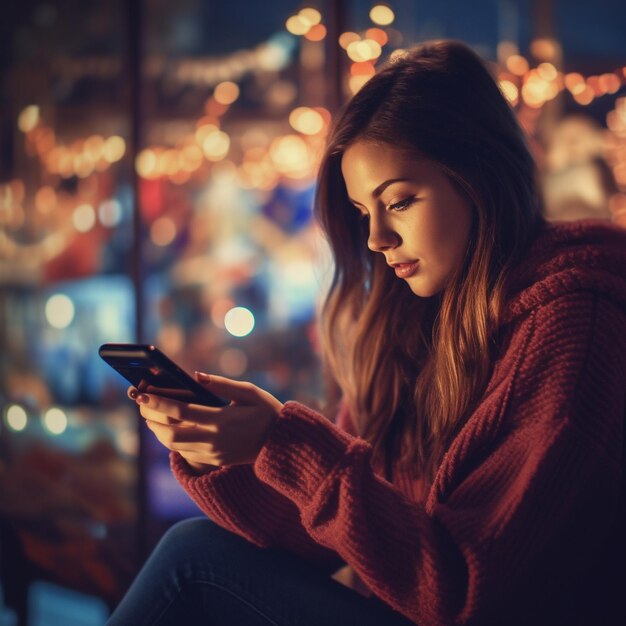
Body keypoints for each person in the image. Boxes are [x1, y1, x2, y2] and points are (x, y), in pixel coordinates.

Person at [107, 40, 626, 626]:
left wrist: (283, 442)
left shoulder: (575, 324)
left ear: (481, 176)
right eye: (362, 212)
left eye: (399, 202)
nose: (377, 238)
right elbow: (325, 541)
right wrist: (225, 453)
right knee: (196, 544)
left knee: (191, 559)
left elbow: (467, 596)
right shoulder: (414, 321)